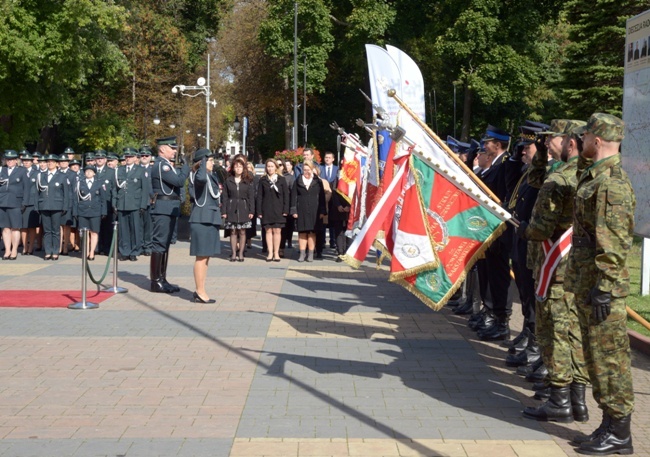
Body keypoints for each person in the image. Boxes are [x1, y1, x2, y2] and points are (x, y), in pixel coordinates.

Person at [564, 113, 635, 455]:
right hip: (590, 283)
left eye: (586, 136)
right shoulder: (595, 176)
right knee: (596, 360)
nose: (581, 141)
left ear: (598, 140)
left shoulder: (610, 184)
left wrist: (605, 285)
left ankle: (621, 432)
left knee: (611, 361)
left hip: (602, 288)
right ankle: (609, 424)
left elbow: (614, 242)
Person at [516, 120, 590, 425]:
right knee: (573, 332)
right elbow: (534, 179)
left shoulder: (561, 177)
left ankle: (559, 399)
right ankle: (577, 400)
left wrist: (524, 231)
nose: (546, 144)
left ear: (570, 142)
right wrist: (543, 153)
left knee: (555, 332)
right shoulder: (586, 172)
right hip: (574, 264)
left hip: (555, 262)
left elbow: (542, 227)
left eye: (551, 139)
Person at [149, 136, 189, 293]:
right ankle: (155, 281)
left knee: (164, 245)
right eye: (172, 148)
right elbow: (178, 181)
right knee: (159, 244)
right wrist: (186, 167)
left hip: (169, 207)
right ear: (162, 149)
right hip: (163, 208)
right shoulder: (161, 166)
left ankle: (162, 278)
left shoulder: (166, 165)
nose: (175, 151)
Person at [188, 148, 221, 303]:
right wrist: (201, 164)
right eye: (209, 160)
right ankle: (199, 291)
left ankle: (201, 289)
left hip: (210, 218)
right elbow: (200, 179)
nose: (212, 163)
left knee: (206, 257)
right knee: (201, 257)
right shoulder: (198, 175)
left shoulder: (210, 176)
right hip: (202, 219)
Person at [113, 147, 150, 261]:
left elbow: (145, 190)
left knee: (135, 229)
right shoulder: (119, 170)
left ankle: (134, 251)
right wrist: (114, 203)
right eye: (126, 156)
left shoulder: (141, 170)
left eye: (130, 157)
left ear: (135, 158)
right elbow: (115, 189)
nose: (128, 158)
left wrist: (143, 205)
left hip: (135, 204)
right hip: (122, 203)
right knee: (123, 230)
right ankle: (125, 251)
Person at [35, 154, 70, 260]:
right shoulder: (41, 175)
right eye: (48, 161)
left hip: (57, 206)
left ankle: (55, 251)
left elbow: (66, 194)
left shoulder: (62, 176)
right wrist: (37, 206)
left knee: (55, 230)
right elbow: (37, 192)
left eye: (52, 162)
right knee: (47, 230)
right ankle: (48, 251)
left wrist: (65, 207)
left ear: (56, 164)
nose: (49, 163)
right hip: (44, 205)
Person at [290, 159, 326, 262]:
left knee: (312, 233)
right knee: (302, 233)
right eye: (304, 169)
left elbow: (322, 197)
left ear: (312, 169)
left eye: (308, 169)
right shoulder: (298, 180)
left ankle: (310, 254)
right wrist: (294, 211)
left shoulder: (318, 181)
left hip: (315, 210)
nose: (306, 172)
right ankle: (302, 254)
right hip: (301, 209)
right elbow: (293, 197)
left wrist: (323, 211)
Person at [221, 155, 255, 262]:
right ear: (233, 168)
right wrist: (224, 211)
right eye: (236, 166)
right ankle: (234, 253)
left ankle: (241, 253)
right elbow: (225, 197)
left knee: (242, 231)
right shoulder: (228, 181)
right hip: (232, 207)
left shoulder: (247, 181)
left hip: (244, 207)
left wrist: (251, 210)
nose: (238, 168)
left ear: (243, 168)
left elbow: (251, 197)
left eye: (240, 166)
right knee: (233, 231)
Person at [256, 158, 289, 262]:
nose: (270, 168)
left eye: (272, 166)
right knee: (268, 231)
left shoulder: (281, 179)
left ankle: (276, 253)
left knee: (277, 231)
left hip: (279, 209)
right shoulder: (263, 180)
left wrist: (285, 209)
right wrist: (259, 211)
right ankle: (270, 253)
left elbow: (286, 196)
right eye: (268, 166)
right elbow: (259, 196)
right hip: (266, 209)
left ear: (276, 167)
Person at [73, 165, 106, 260]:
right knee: (84, 232)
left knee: (94, 232)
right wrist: (75, 212)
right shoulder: (80, 183)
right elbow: (76, 200)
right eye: (86, 171)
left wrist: (103, 212)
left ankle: (92, 252)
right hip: (83, 211)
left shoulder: (99, 183)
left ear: (94, 173)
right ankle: (86, 251)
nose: (88, 173)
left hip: (95, 211)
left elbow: (103, 199)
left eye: (90, 171)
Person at [0, 150, 29, 260]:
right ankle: (7, 250)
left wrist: (24, 202)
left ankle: (14, 250)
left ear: (16, 161)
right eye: (8, 159)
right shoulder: (2, 170)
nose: (10, 161)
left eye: (12, 159)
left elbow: (26, 188)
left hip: (16, 202)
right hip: (2, 202)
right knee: (5, 228)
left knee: (15, 228)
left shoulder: (21, 171)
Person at [20, 151, 39, 255]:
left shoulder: (37, 173)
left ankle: (31, 247)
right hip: (22, 202)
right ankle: (24, 246)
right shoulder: (19, 172)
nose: (26, 163)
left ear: (32, 162)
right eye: (24, 161)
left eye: (28, 161)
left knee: (32, 226)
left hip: (32, 202)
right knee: (23, 226)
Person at [311, 165, 332, 259]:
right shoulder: (307, 181)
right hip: (309, 210)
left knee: (320, 231)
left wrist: (323, 201)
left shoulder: (323, 181)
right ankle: (311, 248)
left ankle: (319, 249)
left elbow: (328, 192)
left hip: (321, 209)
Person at [139, 146, 154, 256]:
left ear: (150, 157)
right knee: (138, 226)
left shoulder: (153, 170)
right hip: (137, 201)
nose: (144, 157)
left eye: (146, 155)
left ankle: (148, 246)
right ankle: (139, 245)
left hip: (150, 201)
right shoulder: (135, 169)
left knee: (148, 226)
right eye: (142, 155)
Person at [281, 160, 296, 252]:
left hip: (288, 203)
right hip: (279, 204)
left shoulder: (290, 178)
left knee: (289, 224)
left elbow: (292, 191)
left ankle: (289, 240)